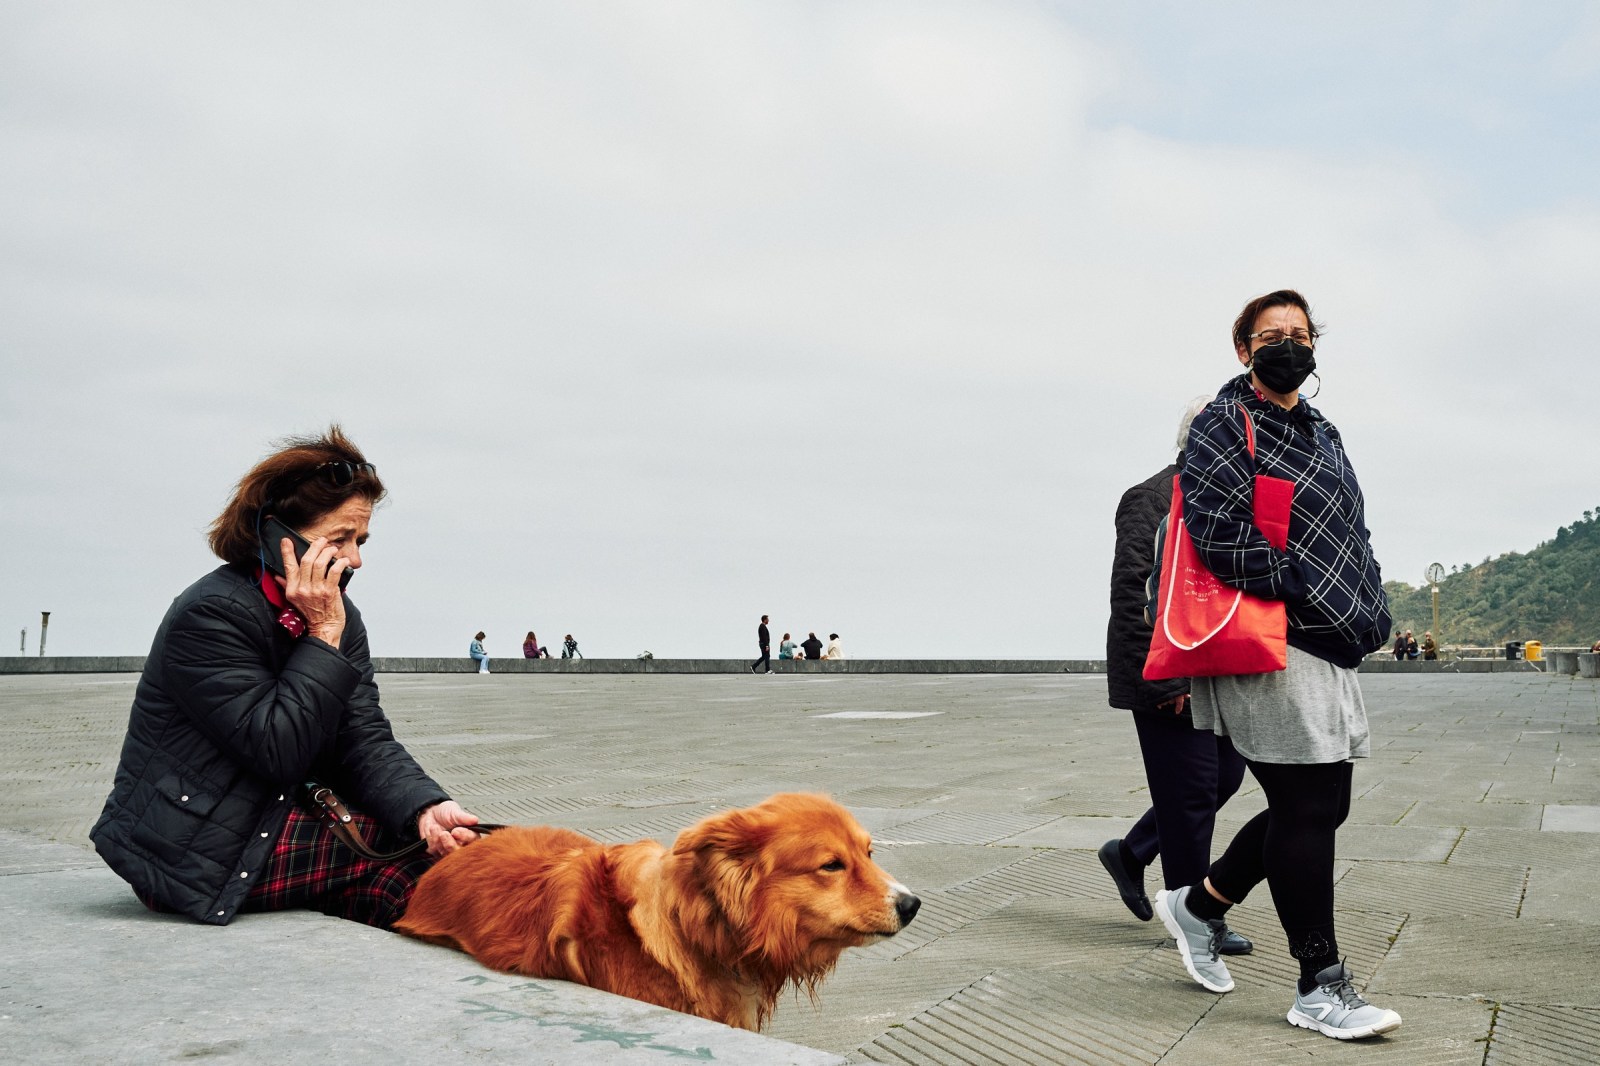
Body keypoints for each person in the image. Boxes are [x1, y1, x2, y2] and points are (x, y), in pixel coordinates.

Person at [90, 426, 481, 930]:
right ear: (279, 537)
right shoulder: (211, 615)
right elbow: (278, 749)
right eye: (340, 538)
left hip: (275, 815)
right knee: (424, 875)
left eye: (360, 540)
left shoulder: (341, 617)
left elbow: (362, 736)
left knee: (440, 873)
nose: (356, 558)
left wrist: (425, 807)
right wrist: (323, 634)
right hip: (192, 850)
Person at [1151, 290, 1401, 1040]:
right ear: (1243, 350)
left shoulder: (1324, 432)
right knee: (1304, 808)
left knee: (1327, 805)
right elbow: (1218, 529)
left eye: (1299, 334)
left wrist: (1370, 602)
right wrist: (1299, 588)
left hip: (1333, 638)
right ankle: (1319, 985)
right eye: (1270, 336)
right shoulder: (1224, 423)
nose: (1287, 345)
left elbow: (1351, 529)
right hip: (1273, 636)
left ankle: (1199, 906)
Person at [1099, 398, 1251, 956]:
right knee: (1189, 797)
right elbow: (1131, 592)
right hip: (1169, 675)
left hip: (1217, 672)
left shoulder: (1225, 501)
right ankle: (1196, 918)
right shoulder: (1150, 497)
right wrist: (1164, 683)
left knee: (1225, 778)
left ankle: (1133, 851)